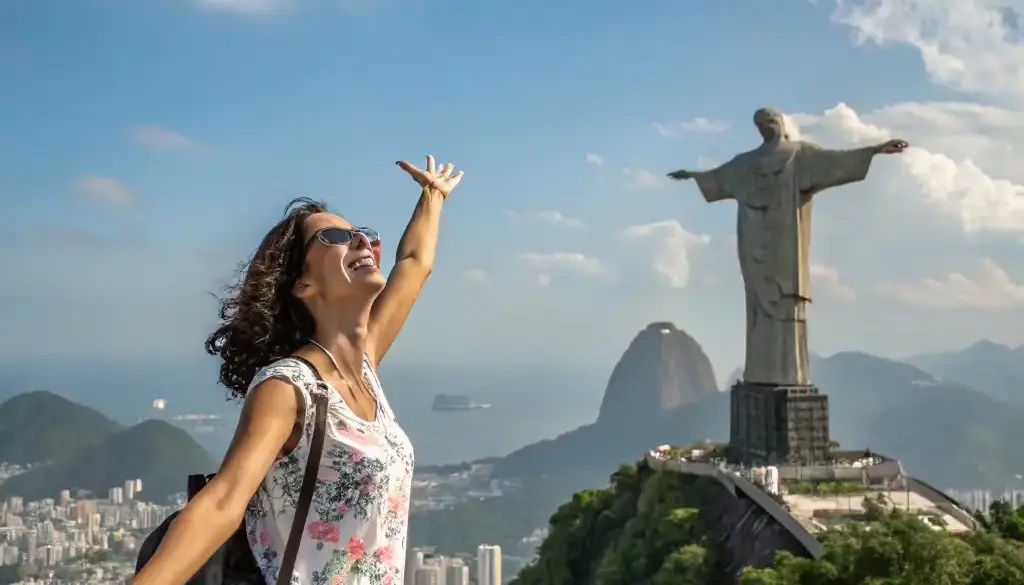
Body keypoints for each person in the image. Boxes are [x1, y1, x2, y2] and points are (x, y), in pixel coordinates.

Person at [131, 155, 464, 585]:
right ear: (302, 284)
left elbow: (415, 263)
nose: (362, 239)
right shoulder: (289, 387)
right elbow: (222, 504)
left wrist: (432, 195)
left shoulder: (364, 371)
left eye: (363, 233)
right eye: (335, 236)